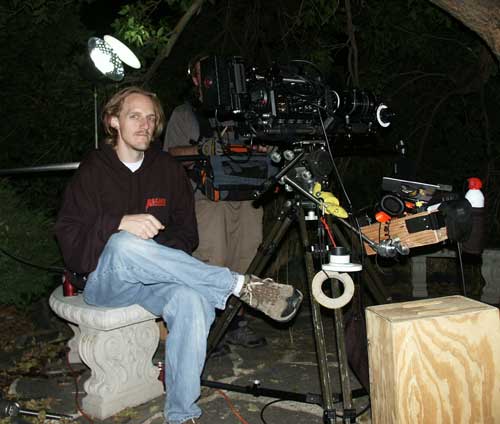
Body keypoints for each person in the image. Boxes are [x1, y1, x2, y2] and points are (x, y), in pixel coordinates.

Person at [54, 86, 302, 424]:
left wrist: (153, 253)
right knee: (125, 243)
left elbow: (188, 234)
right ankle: (237, 285)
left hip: (155, 282)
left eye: (151, 117)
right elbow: (70, 240)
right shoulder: (93, 169)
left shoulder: (167, 169)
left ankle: (181, 413)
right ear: (113, 121)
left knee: (191, 302)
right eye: (134, 116)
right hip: (105, 281)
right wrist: (119, 223)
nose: (145, 124)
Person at [164, 57, 268, 352]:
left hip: (247, 197)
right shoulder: (186, 113)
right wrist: (202, 148)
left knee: (248, 260)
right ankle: (207, 329)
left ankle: (237, 324)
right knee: (213, 260)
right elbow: (170, 154)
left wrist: (264, 144)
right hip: (208, 198)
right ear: (195, 78)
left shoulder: (243, 109)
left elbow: (264, 145)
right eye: (203, 72)